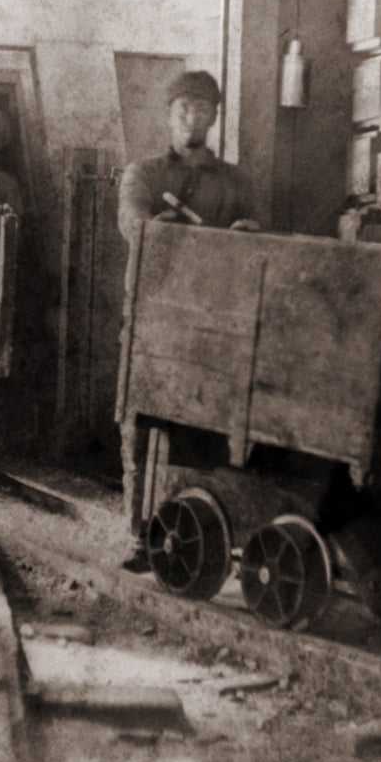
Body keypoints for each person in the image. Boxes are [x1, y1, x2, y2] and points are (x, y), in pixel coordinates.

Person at [117, 69, 259, 573]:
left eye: (201, 108)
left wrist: (249, 234)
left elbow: (256, 238)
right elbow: (133, 224)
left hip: (218, 323)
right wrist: (156, 230)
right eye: (181, 107)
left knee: (207, 428)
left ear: (215, 116)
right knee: (143, 427)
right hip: (155, 321)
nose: (190, 116)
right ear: (167, 114)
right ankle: (139, 535)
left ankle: (195, 531)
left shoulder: (236, 181)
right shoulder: (144, 174)